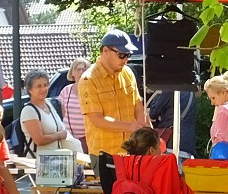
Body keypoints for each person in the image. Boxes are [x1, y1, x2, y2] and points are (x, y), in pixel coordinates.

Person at [121, 128, 226, 194]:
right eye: (159, 147)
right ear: (152, 151)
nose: (162, 152)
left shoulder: (123, 168)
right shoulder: (164, 171)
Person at [78, 29, 149, 157]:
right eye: (122, 55)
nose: (125, 60)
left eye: (128, 55)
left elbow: (138, 105)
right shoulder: (88, 79)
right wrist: (130, 126)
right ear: (105, 51)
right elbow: (97, 119)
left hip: (131, 152)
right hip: (105, 154)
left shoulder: (128, 73)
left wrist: (143, 127)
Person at [148, 90, 197, 158]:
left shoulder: (168, 89)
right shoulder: (190, 91)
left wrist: (158, 91)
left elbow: (153, 112)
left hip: (170, 141)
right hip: (188, 142)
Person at [56, 57, 90, 149]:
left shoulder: (93, 91)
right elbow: (59, 113)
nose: (81, 72)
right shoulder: (66, 90)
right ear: (72, 73)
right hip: (68, 138)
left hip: (88, 139)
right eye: (78, 69)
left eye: (84, 69)